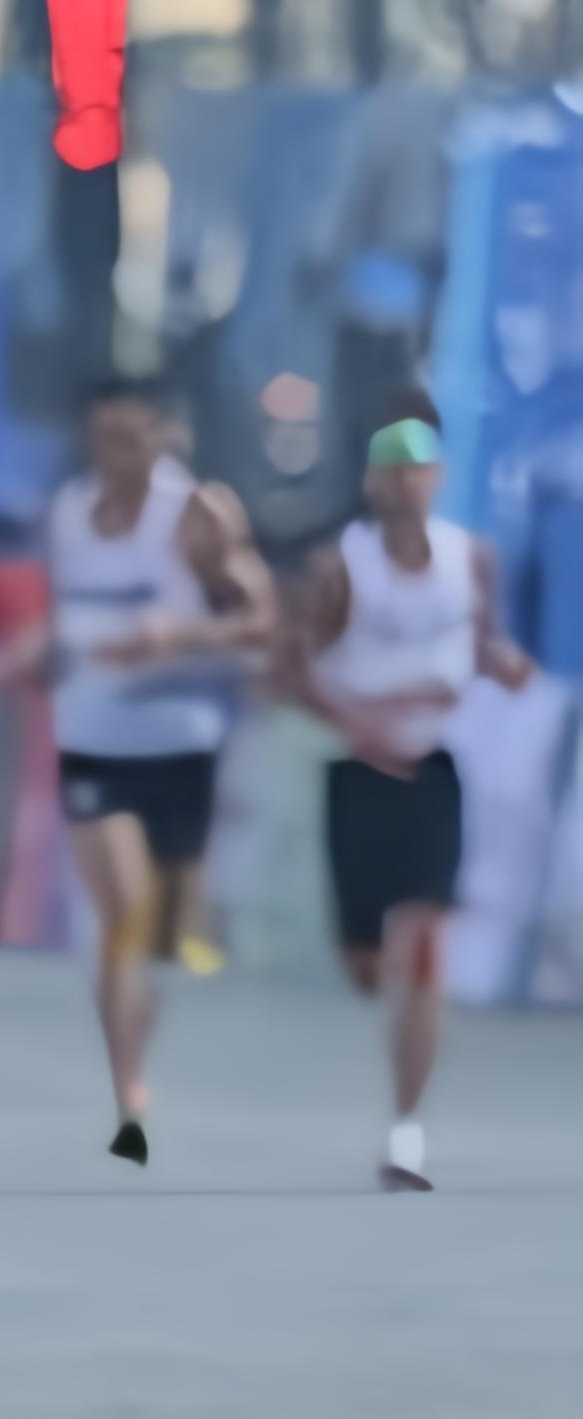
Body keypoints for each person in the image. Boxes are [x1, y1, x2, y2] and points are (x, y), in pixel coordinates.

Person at [24, 379, 273, 1163]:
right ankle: (126, 1087)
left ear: (162, 440)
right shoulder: (68, 512)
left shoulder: (197, 514)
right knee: (121, 911)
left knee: (160, 938)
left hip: (179, 741)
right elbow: (63, 616)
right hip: (92, 738)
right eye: (104, 439)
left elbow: (260, 620)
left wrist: (179, 636)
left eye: (132, 439)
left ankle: (136, 1043)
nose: (117, 455)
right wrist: (38, 650)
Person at [283, 413, 524, 1189]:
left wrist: (502, 664)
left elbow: (482, 641)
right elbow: (291, 668)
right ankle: (363, 960)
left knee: (425, 948)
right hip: (361, 776)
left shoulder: (470, 558)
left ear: (438, 478)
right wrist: (356, 722)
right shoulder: (340, 567)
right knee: (367, 962)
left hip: (433, 770)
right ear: (372, 482)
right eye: (394, 471)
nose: (408, 485)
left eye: (420, 471)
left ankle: (406, 1132)